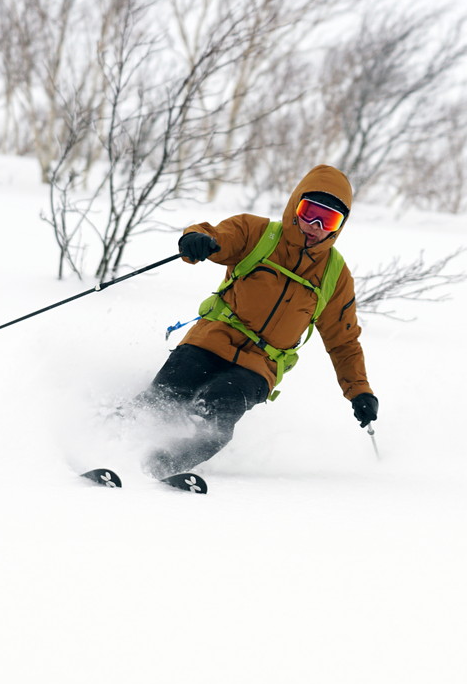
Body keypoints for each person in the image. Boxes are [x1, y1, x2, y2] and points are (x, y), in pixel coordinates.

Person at [134, 164, 378, 478]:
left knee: (216, 411)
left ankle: (160, 466)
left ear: (339, 226)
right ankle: (106, 439)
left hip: (260, 366)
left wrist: (360, 391)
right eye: (310, 211)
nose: (315, 225)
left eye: (328, 219)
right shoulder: (257, 233)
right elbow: (216, 236)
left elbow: (343, 341)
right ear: (295, 206)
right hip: (210, 340)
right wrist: (197, 240)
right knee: (166, 396)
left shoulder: (334, 275)